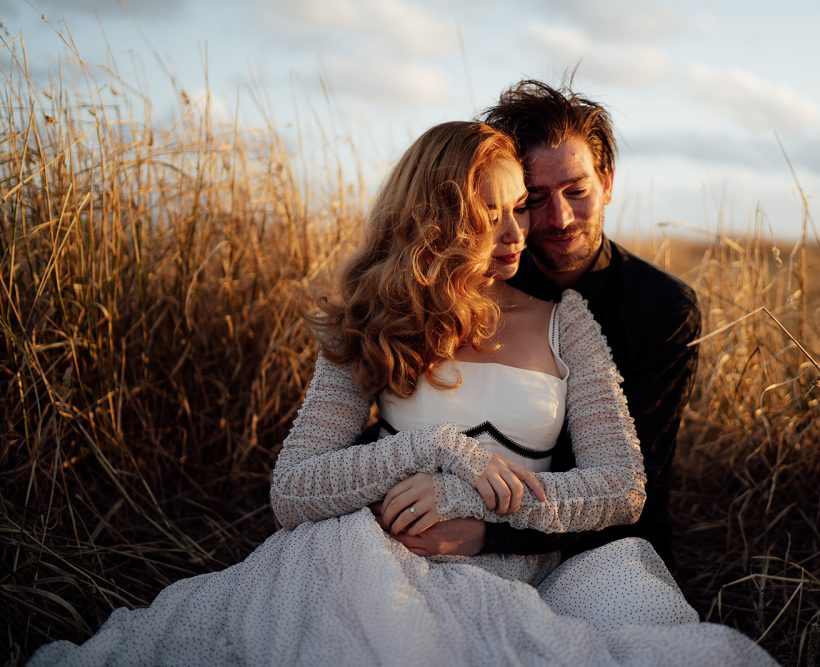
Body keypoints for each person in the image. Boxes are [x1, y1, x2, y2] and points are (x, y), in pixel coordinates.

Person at [30, 121, 773, 666]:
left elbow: (623, 486)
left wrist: (473, 500)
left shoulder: (566, 321)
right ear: (439, 216)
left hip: (533, 565)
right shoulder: (368, 319)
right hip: (382, 561)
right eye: (496, 211)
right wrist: (428, 449)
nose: (523, 231)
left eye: (523, 205)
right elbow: (292, 489)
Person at [385, 81, 701, 568]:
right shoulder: (478, 276)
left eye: (577, 191)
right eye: (533, 198)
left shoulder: (661, 307)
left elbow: (636, 488)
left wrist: (487, 534)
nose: (558, 218)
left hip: (585, 548)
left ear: (608, 183)